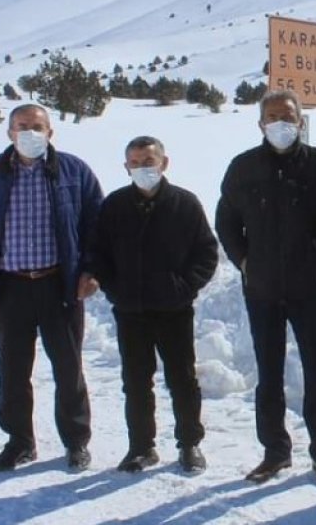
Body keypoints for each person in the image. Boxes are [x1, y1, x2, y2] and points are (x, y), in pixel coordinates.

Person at [215, 90, 316, 487]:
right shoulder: (243, 168)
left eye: (288, 116)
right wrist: (244, 262)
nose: (281, 123)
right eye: (272, 117)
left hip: (310, 288)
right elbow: (226, 221)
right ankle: (275, 452)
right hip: (262, 289)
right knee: (269, 372)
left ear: (301, 121)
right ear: (260, 124)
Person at [0, 104, 102, 472]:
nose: (30, 133)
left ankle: (75, 442)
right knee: (13, 369)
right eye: (22, 126)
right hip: (9, 287)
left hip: (60, 285)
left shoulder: (74, 171)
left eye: (37, 127)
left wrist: (91, 270)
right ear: (9, 132)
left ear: (51, 132)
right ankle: (19, 441)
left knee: (68, 368)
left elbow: (95, 226)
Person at [91, 136, 218, 474]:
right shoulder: (115, 206)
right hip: (130, 310)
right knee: (135, 380)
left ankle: (190, 443)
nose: (142, 168)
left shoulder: (185, 204)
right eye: (135, 162)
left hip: (174, 310)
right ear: (126, 167)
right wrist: (113, 287)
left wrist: (184, 287)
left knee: (182, 379)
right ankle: (141, 447)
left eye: (149, 161)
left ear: (164, 163)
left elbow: (206, 252)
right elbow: (98, 252)